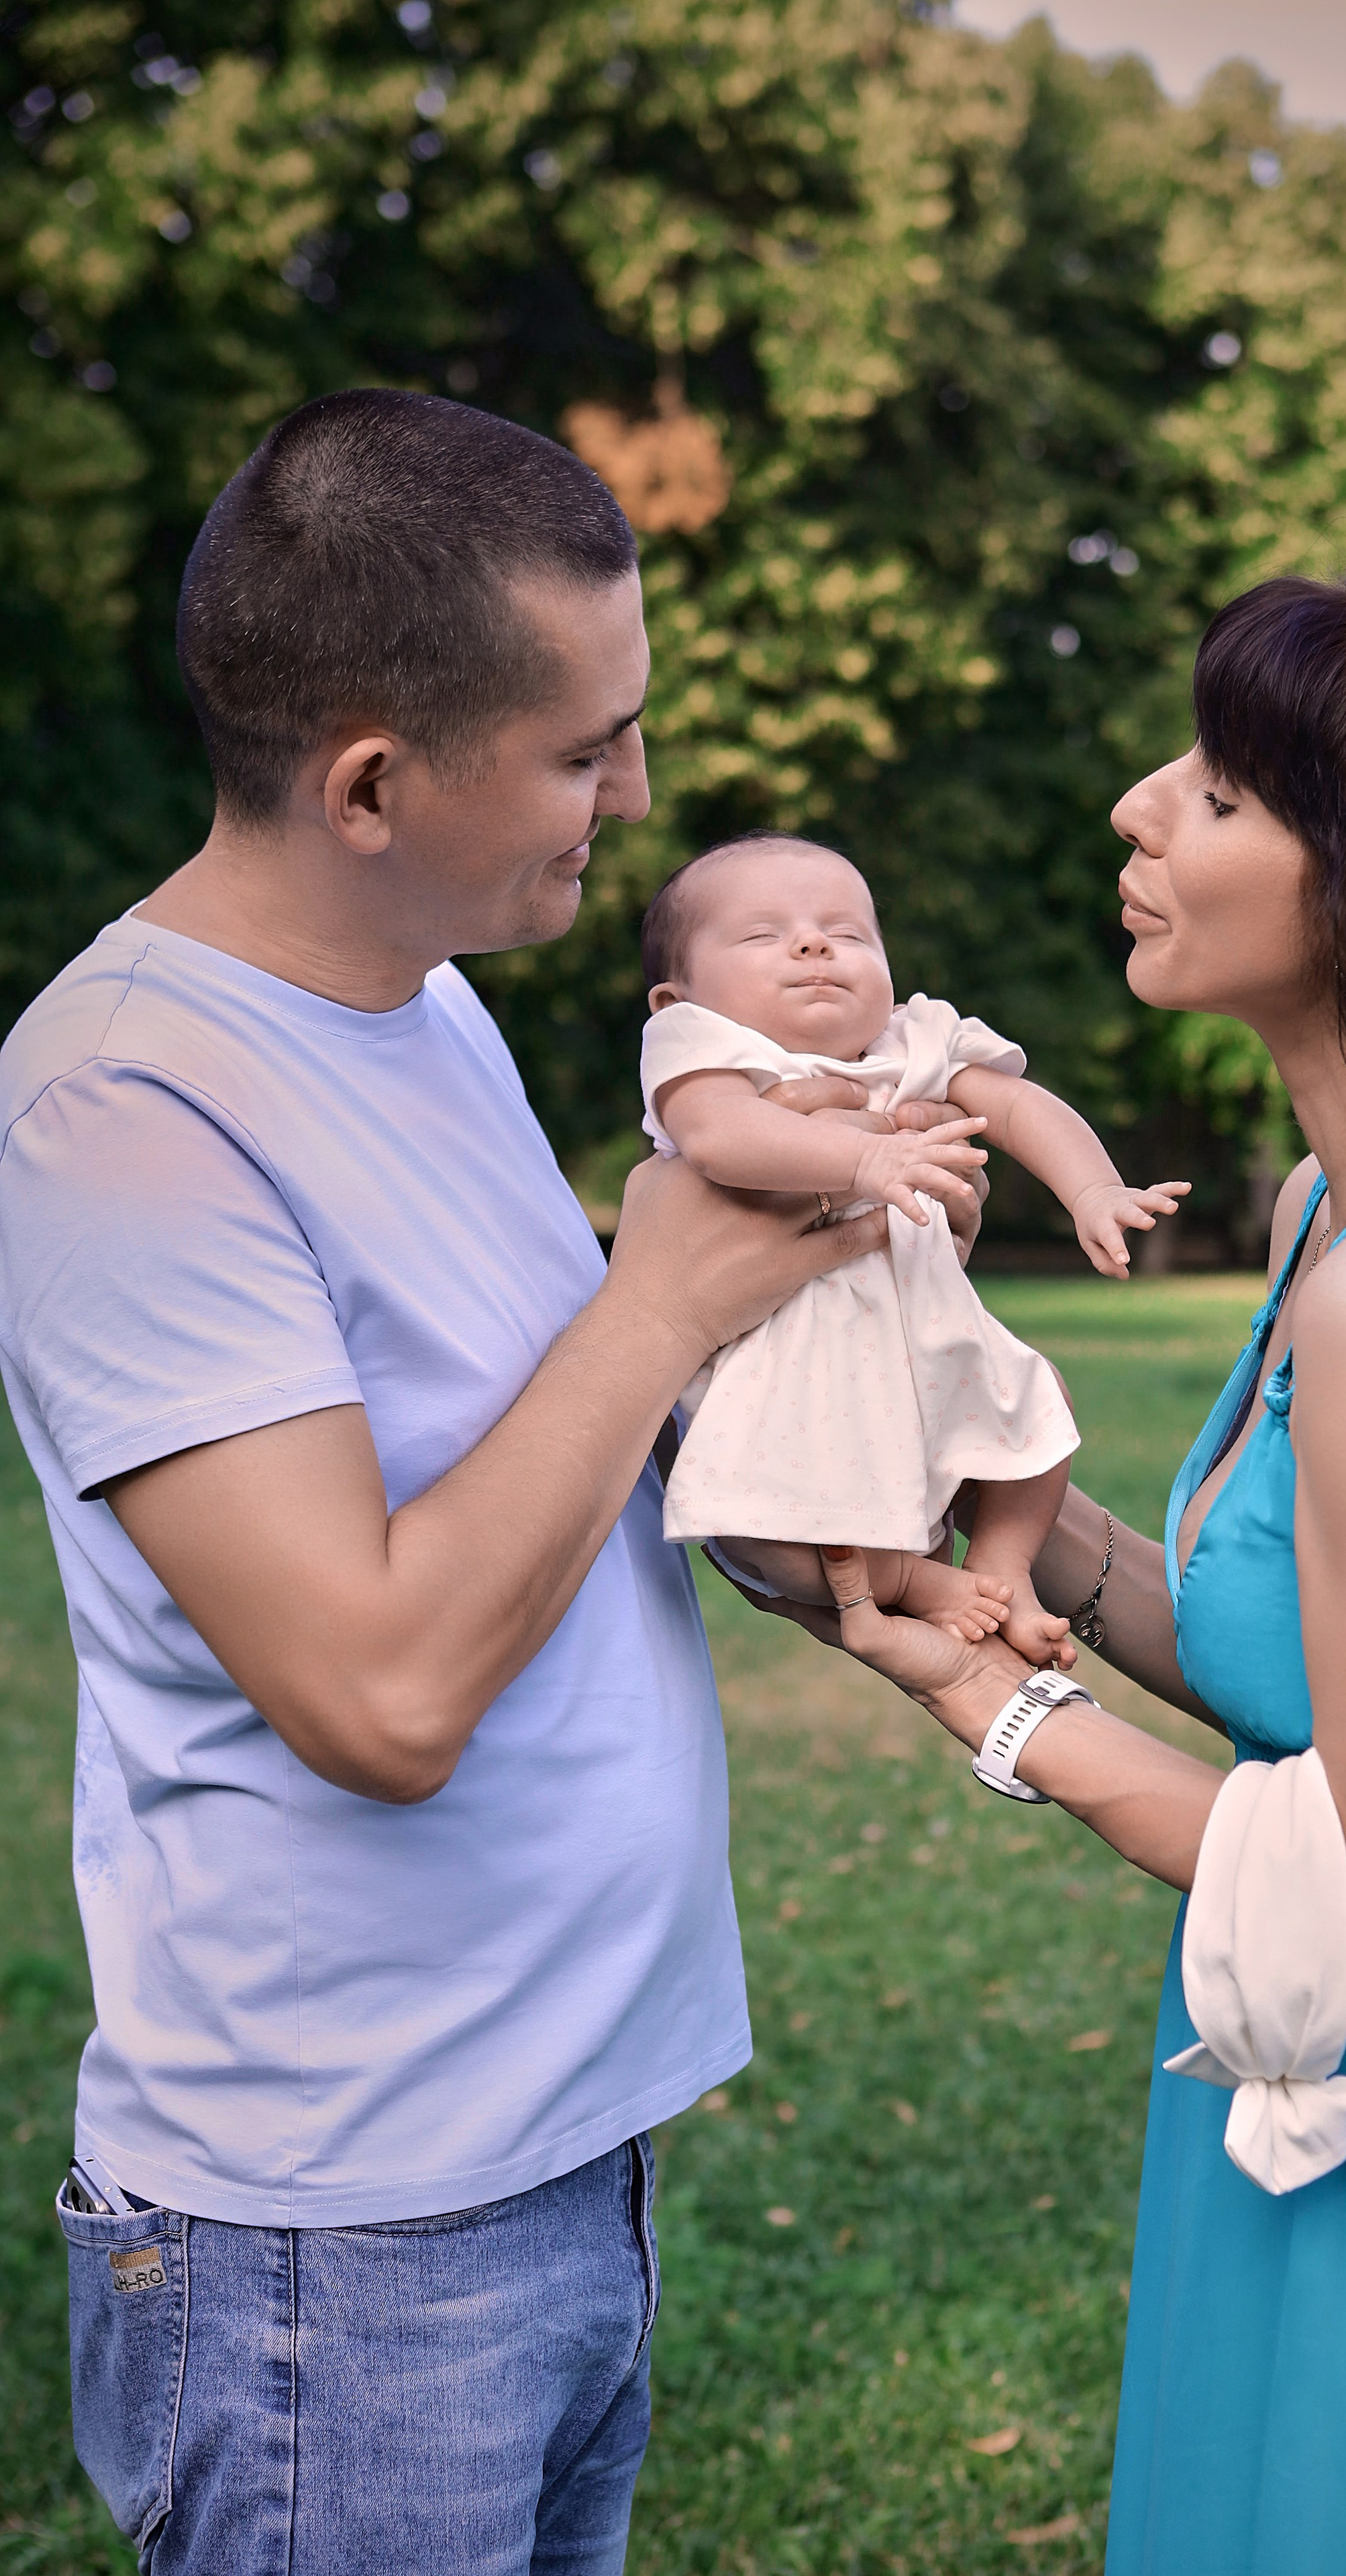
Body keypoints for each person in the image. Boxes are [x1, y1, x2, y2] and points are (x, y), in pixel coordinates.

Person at [0, 388, 980, 2574]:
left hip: (555, 2157)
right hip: (339, 2245)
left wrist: (848, 1520)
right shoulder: (123, 1108)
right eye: (580, 752)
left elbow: (557, 1445)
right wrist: (661, 1299)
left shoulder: (430, 1006)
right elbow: (379, 1694)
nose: (632, 798)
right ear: (369, 784)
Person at [780, 551, 1346, 2573]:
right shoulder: (1328, 1213)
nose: (1136, 804)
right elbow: (1315, 1648)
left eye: (1213, 789)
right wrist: (953, 1498)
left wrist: (994, 1704)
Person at [638, 829, 1186, 1664]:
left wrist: (1093, 1190)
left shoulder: (914, 1044)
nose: (815, 945)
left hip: (927, 1340)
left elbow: (1017, 1108)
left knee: (1040, 1414)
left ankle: (1003, 1567)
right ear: (675, 1001)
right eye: (762, 935)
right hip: (780, 1360)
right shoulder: (709, 1055)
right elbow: (718, 1138)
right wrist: (865, 1159)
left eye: (848, 932)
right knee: (765, 1536)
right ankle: (914, 1581)